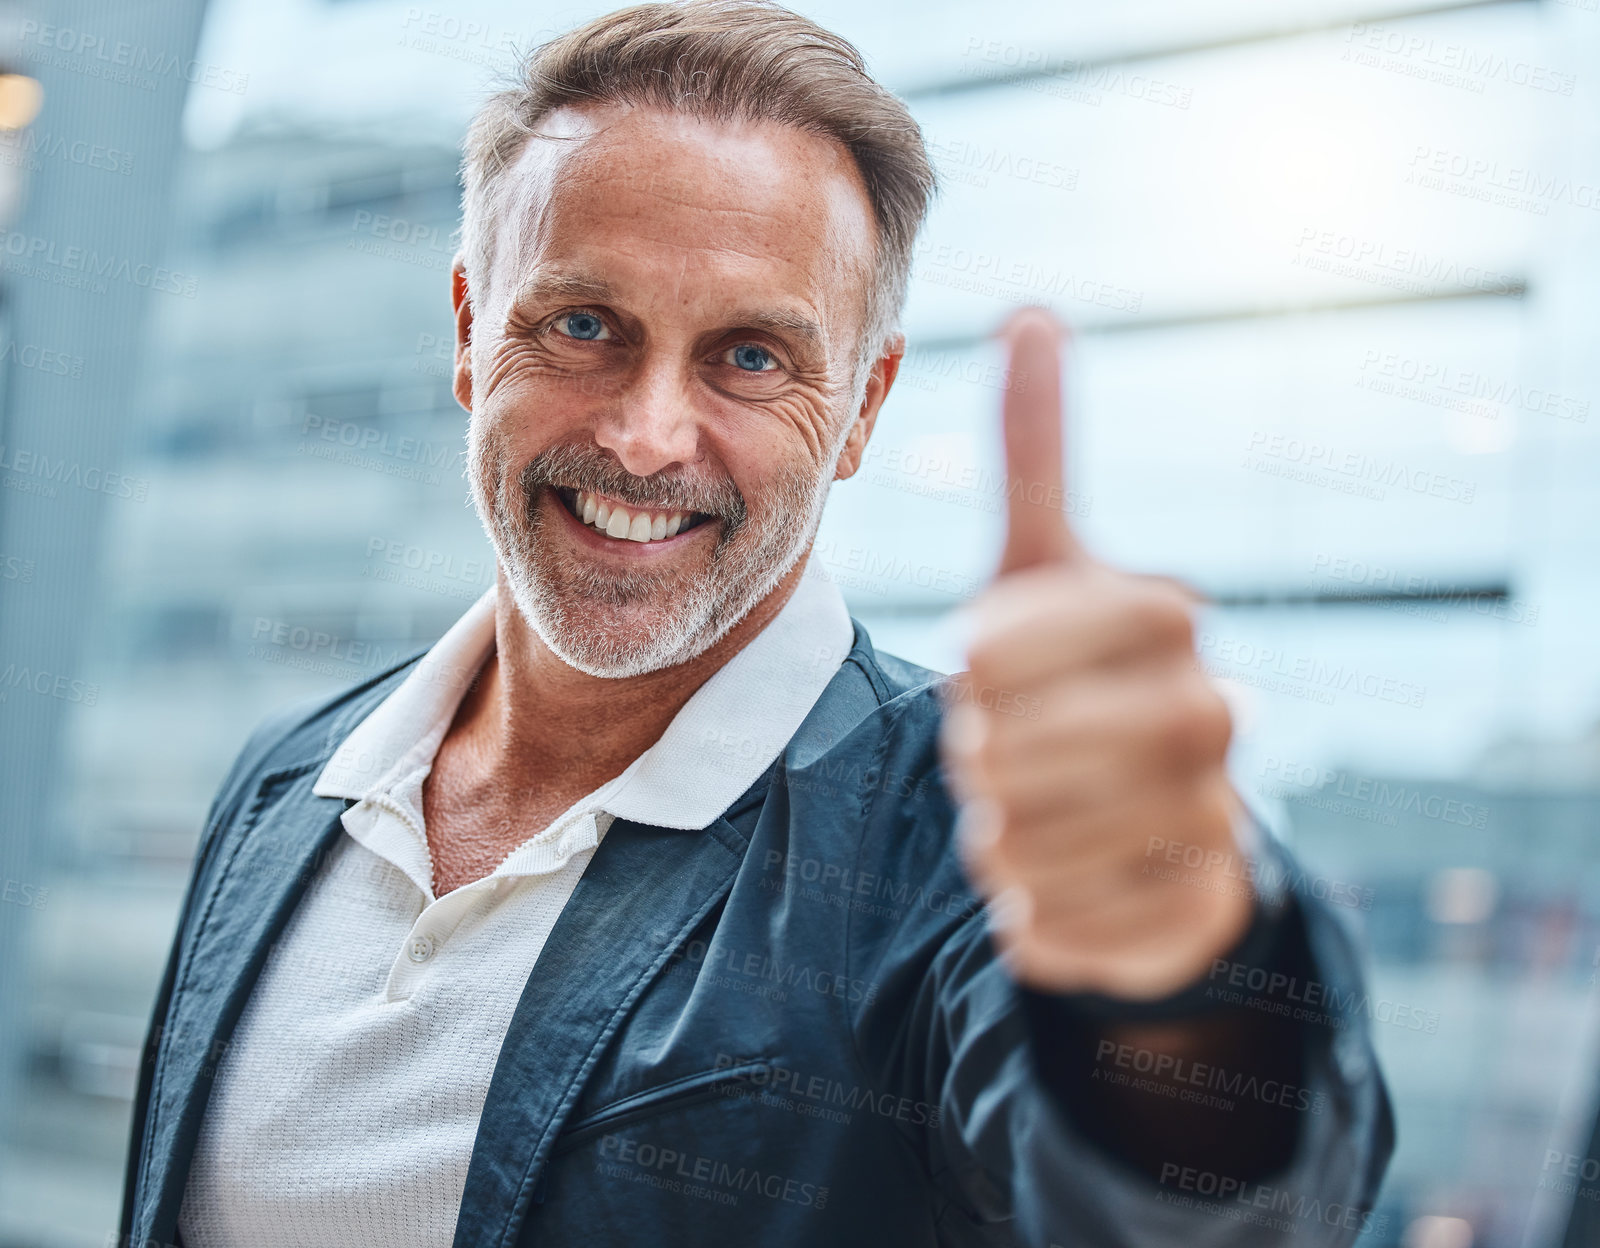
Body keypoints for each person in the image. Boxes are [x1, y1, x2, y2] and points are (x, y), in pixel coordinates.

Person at [119, 2, 1393, 1245]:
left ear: (864, 406)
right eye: (580, 326)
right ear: (468, 333)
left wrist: (1172, 987)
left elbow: (1208, 1211)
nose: (644, 436)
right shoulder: (290, 781)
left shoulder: (964, 836)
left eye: (749, 358)